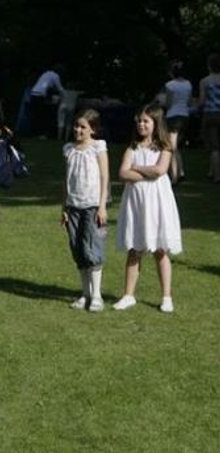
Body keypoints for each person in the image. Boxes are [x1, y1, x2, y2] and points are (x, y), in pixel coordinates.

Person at [113, 104, 182, 313]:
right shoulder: (132, 148)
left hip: (157, 202)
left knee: (161, 249)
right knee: (134, 249)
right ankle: (128, 294)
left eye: (146, 121)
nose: (141, 125)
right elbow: (123, 174)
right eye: (139, 121)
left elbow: (160, 170)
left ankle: (166, 296)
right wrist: (144, 172)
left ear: (155, 123)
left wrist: (137, 168)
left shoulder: (164, 147)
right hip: (136, 203)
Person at [62, 109, 109, 312]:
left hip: (92, 205)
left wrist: (102, 206)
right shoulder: (69, 149)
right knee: (77, 249)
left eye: (83, 127)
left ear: (92, 129)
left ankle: (97, 295)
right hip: (73, 205)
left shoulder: (98, 148)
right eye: (76, 126)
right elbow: (66, 179)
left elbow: (104, 177)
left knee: (92, 248)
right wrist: (63, 207)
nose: (78, 130)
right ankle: (85, 293)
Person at [159, 60, 192, 183]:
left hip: (173, 115)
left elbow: (168, 103)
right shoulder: (188, 84)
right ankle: (180, 171)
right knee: (175, 146)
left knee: (171, 146)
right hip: (185, 115)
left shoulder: (170, 85)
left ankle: (174, 175)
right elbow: (189, 102)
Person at [196, 53, 220, 183]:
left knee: (214, 147)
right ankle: (212, 171)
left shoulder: (205, 81)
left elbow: (202, 100)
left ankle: (216, 176)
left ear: (209, 66)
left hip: (210, 114)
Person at [29, 65, 65, 138]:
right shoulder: (55, 76)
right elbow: (59, 88)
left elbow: (47, 85)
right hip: (40, 96)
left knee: (35, 115)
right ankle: (41, 134)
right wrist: (65, 95)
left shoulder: (46, 73)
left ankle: (33, 133)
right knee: (42, 115)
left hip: (33, 93)